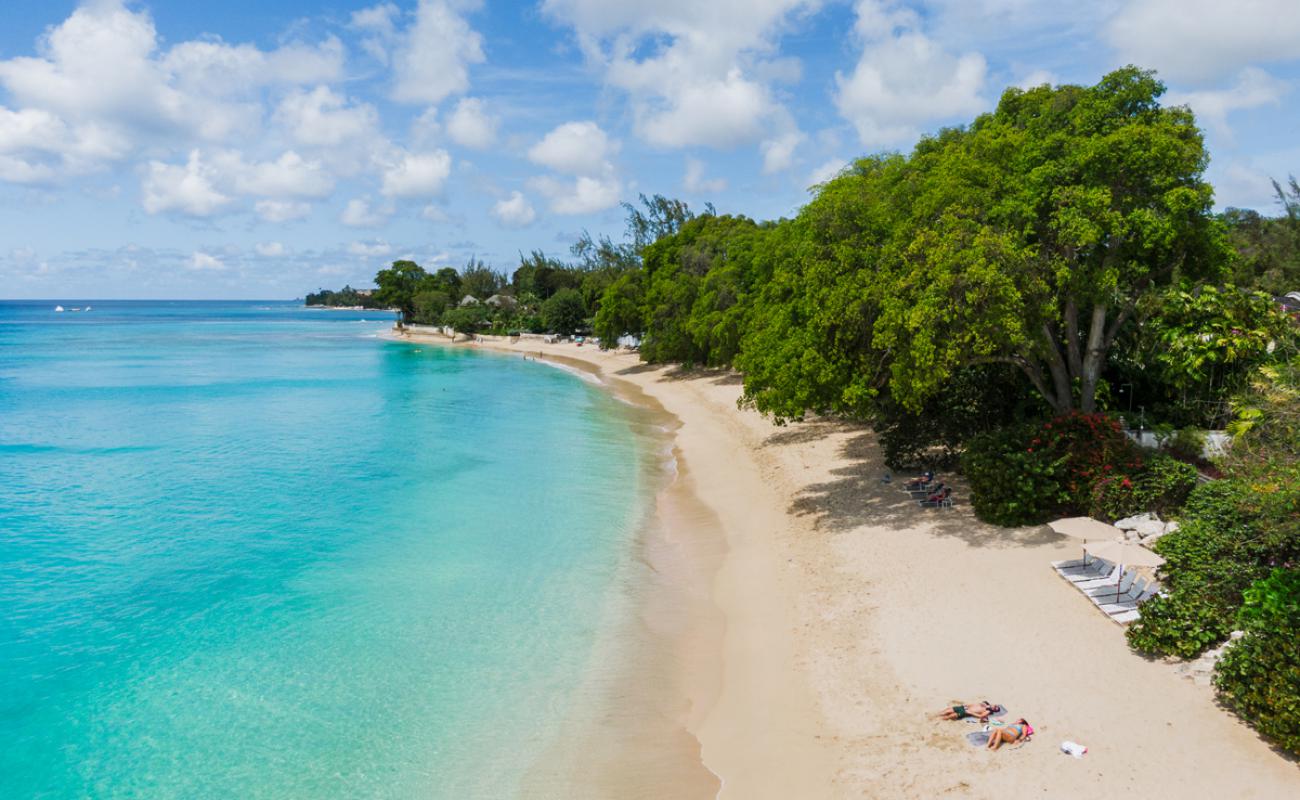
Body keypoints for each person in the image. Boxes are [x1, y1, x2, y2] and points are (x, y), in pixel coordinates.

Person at [934, 701, 1001, 722]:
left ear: (994, 710)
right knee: (947, 711)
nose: (994, 706)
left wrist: (970, 712)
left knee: (950, 716)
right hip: (963, 707)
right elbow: (976, 704)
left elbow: (981, 716)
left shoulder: (988, 711)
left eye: (995, 708)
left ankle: (938, 720)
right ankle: (935, 715)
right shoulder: (986, 703)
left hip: (966, 711)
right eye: (995, 706)